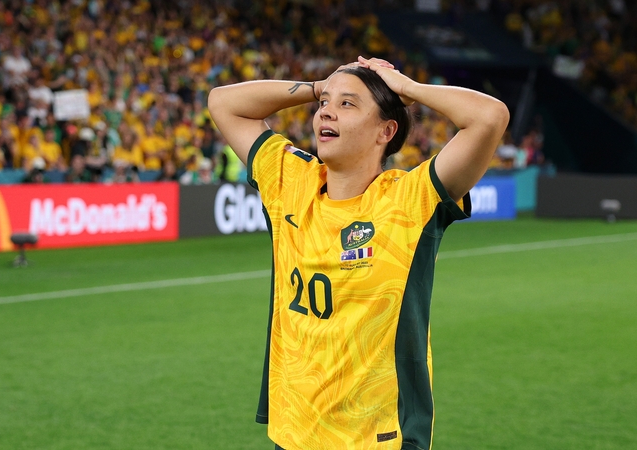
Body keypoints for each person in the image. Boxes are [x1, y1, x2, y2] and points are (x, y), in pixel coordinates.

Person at [208, 56, 509, 450]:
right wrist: (323, 85)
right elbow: (222, 102)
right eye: (323, 105)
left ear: (386, 130)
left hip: (377, 438)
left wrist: (406, 87)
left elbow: (489, 117)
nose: (327, 112)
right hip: (293, 433)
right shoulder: (290, 183)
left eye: (347, 104)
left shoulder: (409, 201)